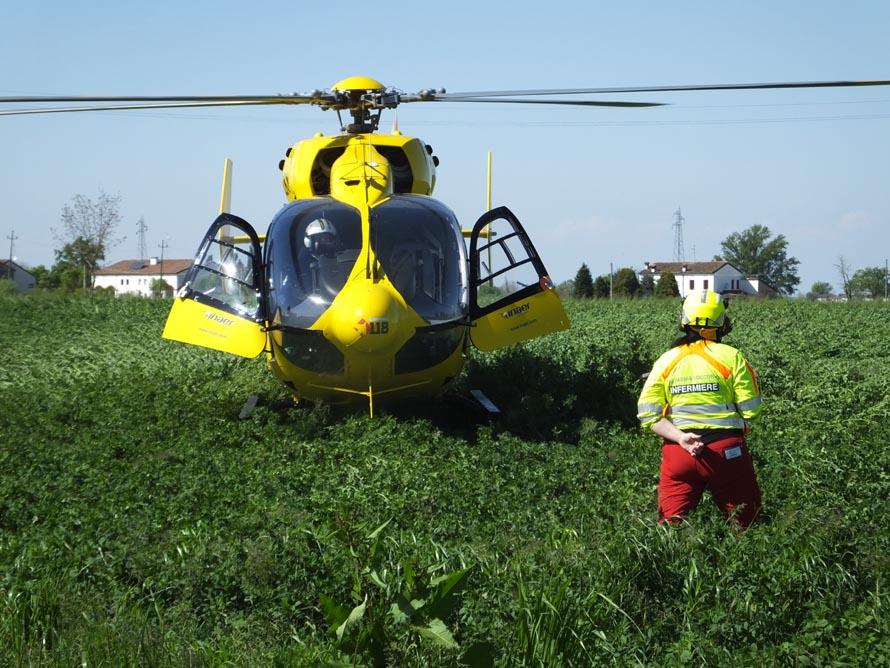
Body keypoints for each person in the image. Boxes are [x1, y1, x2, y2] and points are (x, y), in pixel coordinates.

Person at [637, 290, 763, 527]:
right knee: (748, 524)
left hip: (678, 452)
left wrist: (682, 438)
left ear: (684, 319)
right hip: (726, 452)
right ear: (721, 322)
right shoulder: (732, 357)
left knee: (670, 528)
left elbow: (647, 414)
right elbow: (751, 411)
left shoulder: (667, 359)